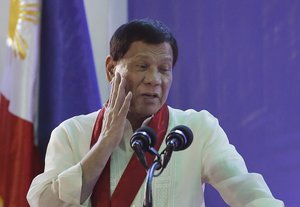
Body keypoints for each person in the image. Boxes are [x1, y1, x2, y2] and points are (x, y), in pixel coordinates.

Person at [27, 18, 284, 207]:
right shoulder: (72, 133)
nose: (154, 79)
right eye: (142, 66)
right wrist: (105, 143)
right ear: (110, 69)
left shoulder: (195, 130)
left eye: (164, 68)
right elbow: (45, 203)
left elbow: (249, 192)